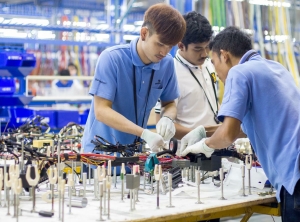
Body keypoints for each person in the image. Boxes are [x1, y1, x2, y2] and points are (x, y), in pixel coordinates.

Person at [180, 26, 300, 221]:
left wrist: (205, 146)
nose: (215, 70)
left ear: (224, 55)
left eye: (213, 61)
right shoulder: (276, 67)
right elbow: (242, 128)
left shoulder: (239, 73)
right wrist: (203, 132)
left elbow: (228, 134)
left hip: (295, 174)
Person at [81, 3, 186, 154]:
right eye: (160, 44)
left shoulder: (167, 64)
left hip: (134, 154)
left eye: (170, 47)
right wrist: (144, 133)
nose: (164, 52)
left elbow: (169, 103)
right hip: (100, 154)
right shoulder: (112, 59)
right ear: (144, 33)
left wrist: (168, 118)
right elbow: (101, 110)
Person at [155, 11, 219, 149]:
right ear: (180, 45)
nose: (204, 53)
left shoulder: (209, 65)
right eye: (197, 49)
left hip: (213, 146)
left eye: (207, 47)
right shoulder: (171, 72)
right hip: (186, 152)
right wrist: (198, 135)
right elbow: (162, 124)